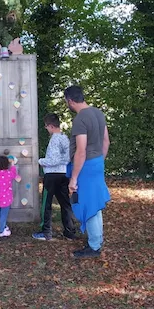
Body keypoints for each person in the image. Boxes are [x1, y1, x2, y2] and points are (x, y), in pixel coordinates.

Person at [64, 86, 110, 258]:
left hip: (86, 166)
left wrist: (74, 178)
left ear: (70, 100)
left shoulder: (80, 119)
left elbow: (81, 150)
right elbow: (106, 141)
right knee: (95, 204)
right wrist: (99, 161)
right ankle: (96, 240)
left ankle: (94, 247)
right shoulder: (98, 113)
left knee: (87, 204)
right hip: (97, 163)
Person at [32, 113, 76, 241]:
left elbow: (53, 160)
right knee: (65, 204)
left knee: (46, 204)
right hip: (63, 174)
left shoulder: (54, 139)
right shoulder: (64, 138)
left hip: (51, 176)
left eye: (46, 126)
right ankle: (69, 232)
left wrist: (40, 161)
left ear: (51, 126)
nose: (46, 129)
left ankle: (46, 232)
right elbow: (67, 157)